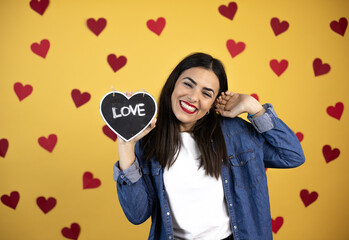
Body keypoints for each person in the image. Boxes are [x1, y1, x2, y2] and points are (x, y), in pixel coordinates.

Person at [113, 52, 305, 240]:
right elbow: (136, 215)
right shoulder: (148, 141)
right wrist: (126, 144)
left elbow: (291, 155)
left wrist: (254, 107)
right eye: (188, 84)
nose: (193, 97)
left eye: (206, 93)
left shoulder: (235, 133)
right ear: (173, 85)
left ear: (213, 103)